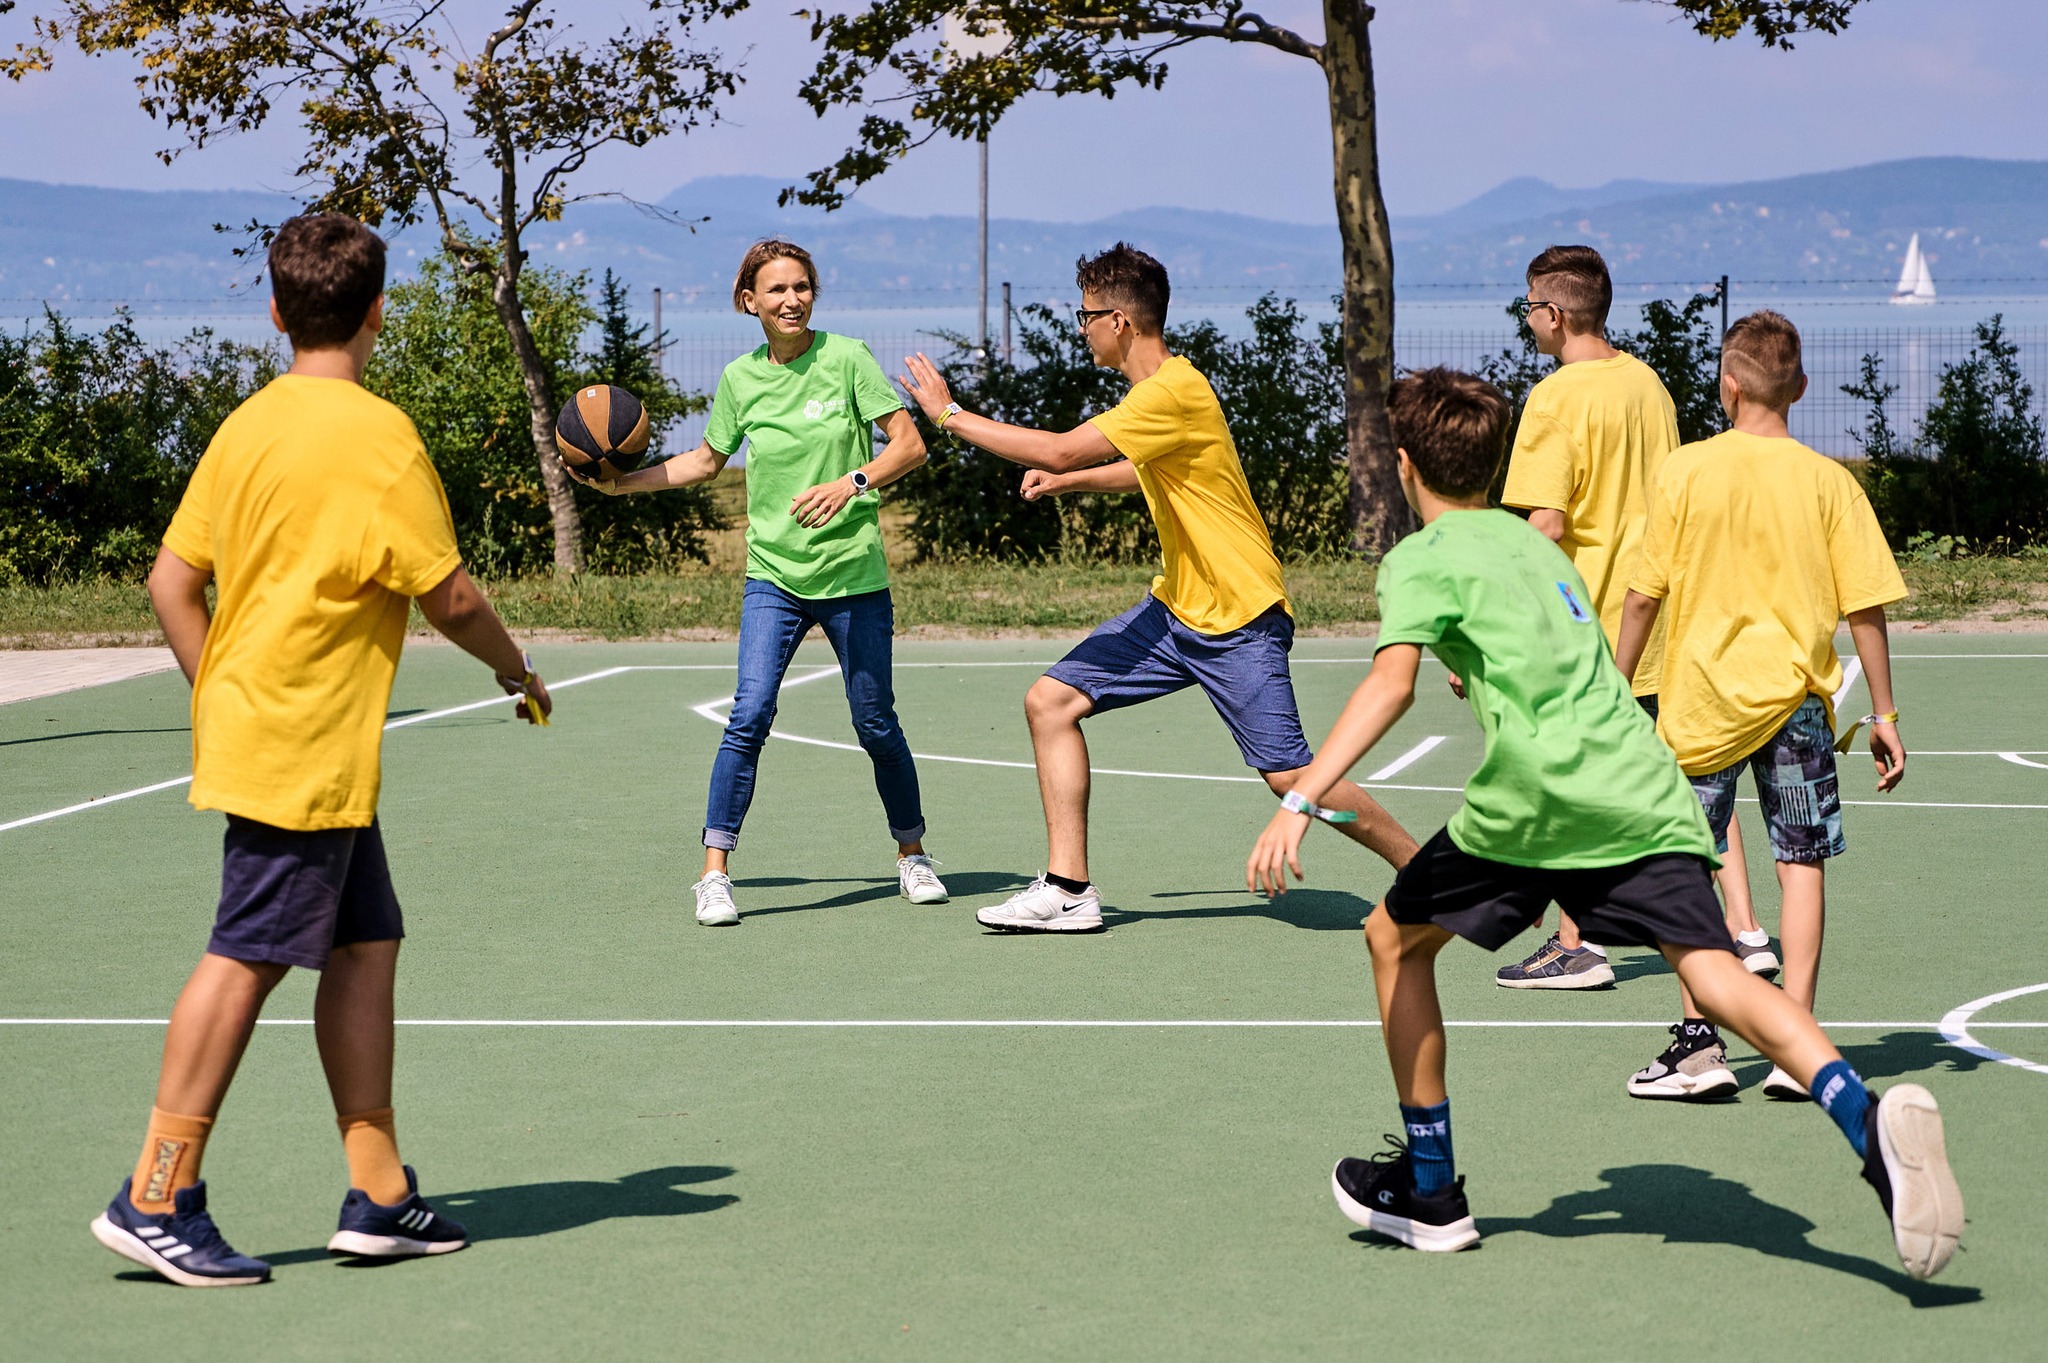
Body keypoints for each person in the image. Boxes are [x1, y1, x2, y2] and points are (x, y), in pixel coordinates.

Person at [1245, 366, 1961, 1280]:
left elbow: (1392, 682)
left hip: (1536, 802)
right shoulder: (1540, 551)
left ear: (1400, 463)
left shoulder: (1417, 558)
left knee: (1393, 937)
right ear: (1494, 465)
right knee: (1714, 970)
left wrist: (1302, 798)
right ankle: (1865, 1123)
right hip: (1640, 784)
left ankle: (1431, 1194)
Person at [93, 214, 553, 1287]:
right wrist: (513, 668)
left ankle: (379, 1192)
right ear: (379, 310)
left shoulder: (245, 425)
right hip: (302, 746)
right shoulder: (376, 435)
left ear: (274, 310)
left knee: (363, 946)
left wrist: (225, 696)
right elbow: (448, 592)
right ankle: (156, 1191)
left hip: (295, 737)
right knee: (247, 953)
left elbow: (170, 582)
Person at [898, 242, 1416, 932]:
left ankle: (1424, 870)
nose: (1080, 329)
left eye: (1085, 317)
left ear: (1120, 322)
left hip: (1238, 616)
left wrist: (948, 414)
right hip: (1176, 609)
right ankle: (1068, 888)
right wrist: (1072, 481)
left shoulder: (1172, 390)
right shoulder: (1159, 396)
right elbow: (1147, 469)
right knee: (1050, 703)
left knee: (1294, 778)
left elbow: (1056, 443)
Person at [583, 239, 947, 925]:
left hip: (853, 577)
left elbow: (910, 443)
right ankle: (714, 874)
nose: (791, 299)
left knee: (874, 722)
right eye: (777, 290)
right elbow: (703, 460)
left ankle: (912, 853)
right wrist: (622, 485)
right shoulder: (740, 379)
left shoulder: (846, 359)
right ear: (749, 301)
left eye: (802, 287)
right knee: (748, 714)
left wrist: (853, 481)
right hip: (774, 578)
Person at [1615, 310, 1908, 1101]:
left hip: (1699, 705)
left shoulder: (1684, 471)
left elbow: (1642, 597)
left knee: (1683, 871)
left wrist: (1614, 688)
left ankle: (1698, 1048)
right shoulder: (1829, 481)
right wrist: (1884, 714)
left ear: (1726, 385)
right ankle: (1795, 1042)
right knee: (1800, 863)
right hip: (1798, 706)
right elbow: (1867, 608)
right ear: (1802, 389)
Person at [1492, 244, 1772, 992]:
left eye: (1529, 307)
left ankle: (1579, 943)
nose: (1528, 321)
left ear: (1553, 315)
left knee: (1571, 779)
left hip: (1588, 627)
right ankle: (1746, 929)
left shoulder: (1554, 399)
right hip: (1662, 617)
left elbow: (1545, 524)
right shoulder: (1648, 383)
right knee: (1690, 775)